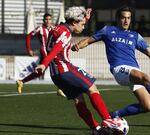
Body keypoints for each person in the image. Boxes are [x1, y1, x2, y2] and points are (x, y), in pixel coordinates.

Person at [71, 6, 150, 119]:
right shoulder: (108, 30)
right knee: (145, 77)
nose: (126, 20)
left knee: (147, 106)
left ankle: (113, 116)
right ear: (118, 18)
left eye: (128, 18)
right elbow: (88, 40)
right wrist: (78, 46)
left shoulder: (135, 36)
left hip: (134, 72)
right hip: (119, 69)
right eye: (123, 17)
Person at [35, 7, 120, 135]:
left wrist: (84, 18)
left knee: (78, 99)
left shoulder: (60, 27)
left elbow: (66, 29)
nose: (84, 27)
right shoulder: (66, 33)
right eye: (83, 24)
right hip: (65, 69)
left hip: (56, 75)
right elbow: (56, 49)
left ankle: (96, 129)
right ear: (74, 22)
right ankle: (108, 120)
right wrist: (43, 63)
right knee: (92, 88)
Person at [16, 13, 65, 97]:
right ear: (43, 20)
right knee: (57, 69)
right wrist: (29, 49)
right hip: (45, 52)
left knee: (40, 72)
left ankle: (21, 82)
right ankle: (60, 88)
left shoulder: (54, 28)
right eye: (46, 19)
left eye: (49, 19)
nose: (48, 21)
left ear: (51, 20)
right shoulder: (40, 28)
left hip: (52, 52)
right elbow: (28, 36)